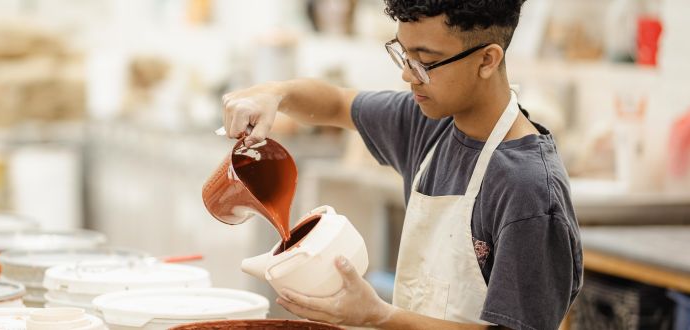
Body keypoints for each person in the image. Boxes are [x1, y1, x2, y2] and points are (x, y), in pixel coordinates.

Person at [220, 1, 582, 329]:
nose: (408, 76)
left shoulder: (528, 189)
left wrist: (381, 316)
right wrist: (273, 94)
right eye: (403, 54)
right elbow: (335, 104)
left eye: (424, 61)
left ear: (487, 60)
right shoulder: (429, 123)